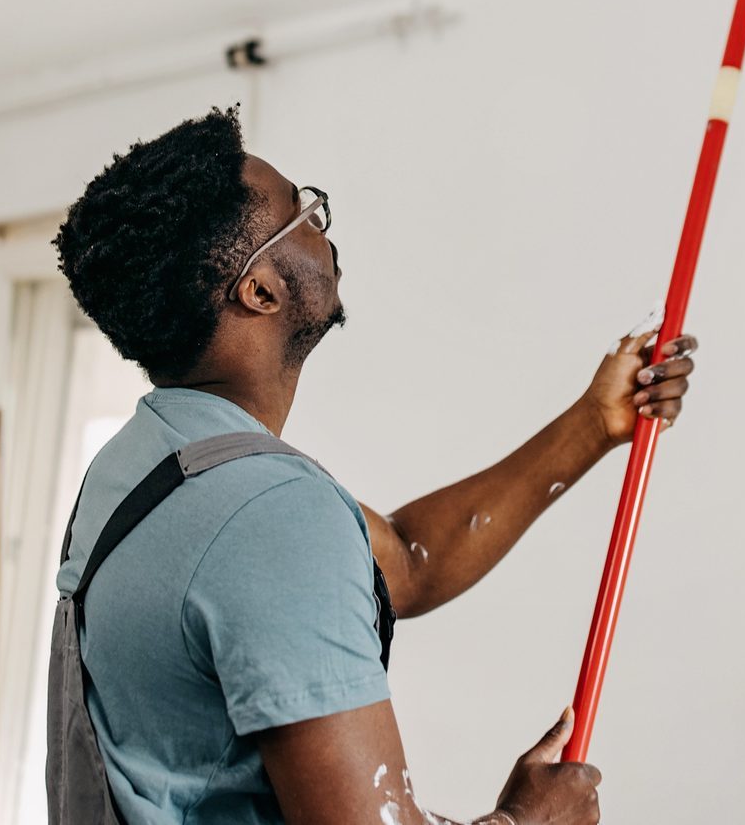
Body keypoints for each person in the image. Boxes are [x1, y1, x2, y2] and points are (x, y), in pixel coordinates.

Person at [51, 106, 697, 825]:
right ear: (258, 290)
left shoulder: (144, 472)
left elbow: (407, 560)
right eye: (302, 213)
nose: (322, 226)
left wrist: (593, 423)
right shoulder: (270, 514)